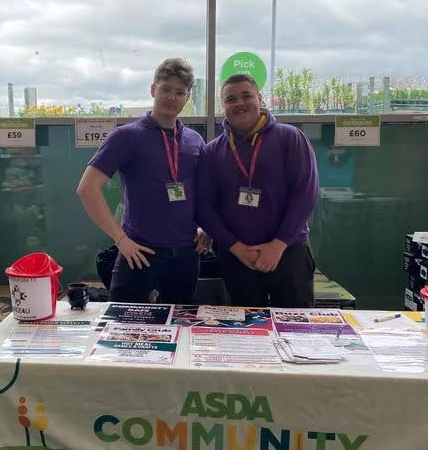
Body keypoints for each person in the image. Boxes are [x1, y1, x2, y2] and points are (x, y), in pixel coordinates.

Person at [77, 58, 209, 304]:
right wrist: (120, 240)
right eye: (165, 89)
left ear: (187, 97)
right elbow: (87, 188)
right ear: (152, 90)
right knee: (122, 329)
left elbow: (205, 192)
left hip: (186, 255)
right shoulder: (126, 137)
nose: (171, 97)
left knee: (179, 328)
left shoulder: (194, 141)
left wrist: (205, 228)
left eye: (179, 92)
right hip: (140, 252)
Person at [198, 73, 319, 308]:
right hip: (238, 257)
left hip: (288, 252)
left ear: (260, 98)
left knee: (295, 330)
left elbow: (305, 194)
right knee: (245, 333)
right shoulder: (212, 152)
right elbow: (204, 207)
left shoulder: (290, 138)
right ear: (223, 106)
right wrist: (238, 250)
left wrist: (278, 245)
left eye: (246, 96)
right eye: (231, 99)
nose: (239, 103)